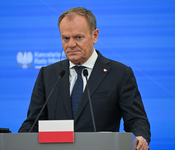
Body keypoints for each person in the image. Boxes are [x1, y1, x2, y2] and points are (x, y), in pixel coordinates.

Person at [19, 7, 151, 150]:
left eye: (78, 37)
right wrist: (17, 142)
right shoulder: (48, 74)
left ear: (95, 35)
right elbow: (33, 123)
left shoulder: (120, 73)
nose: (71, 45)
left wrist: (140, 137)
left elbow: (136, 119)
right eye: (65, 38)